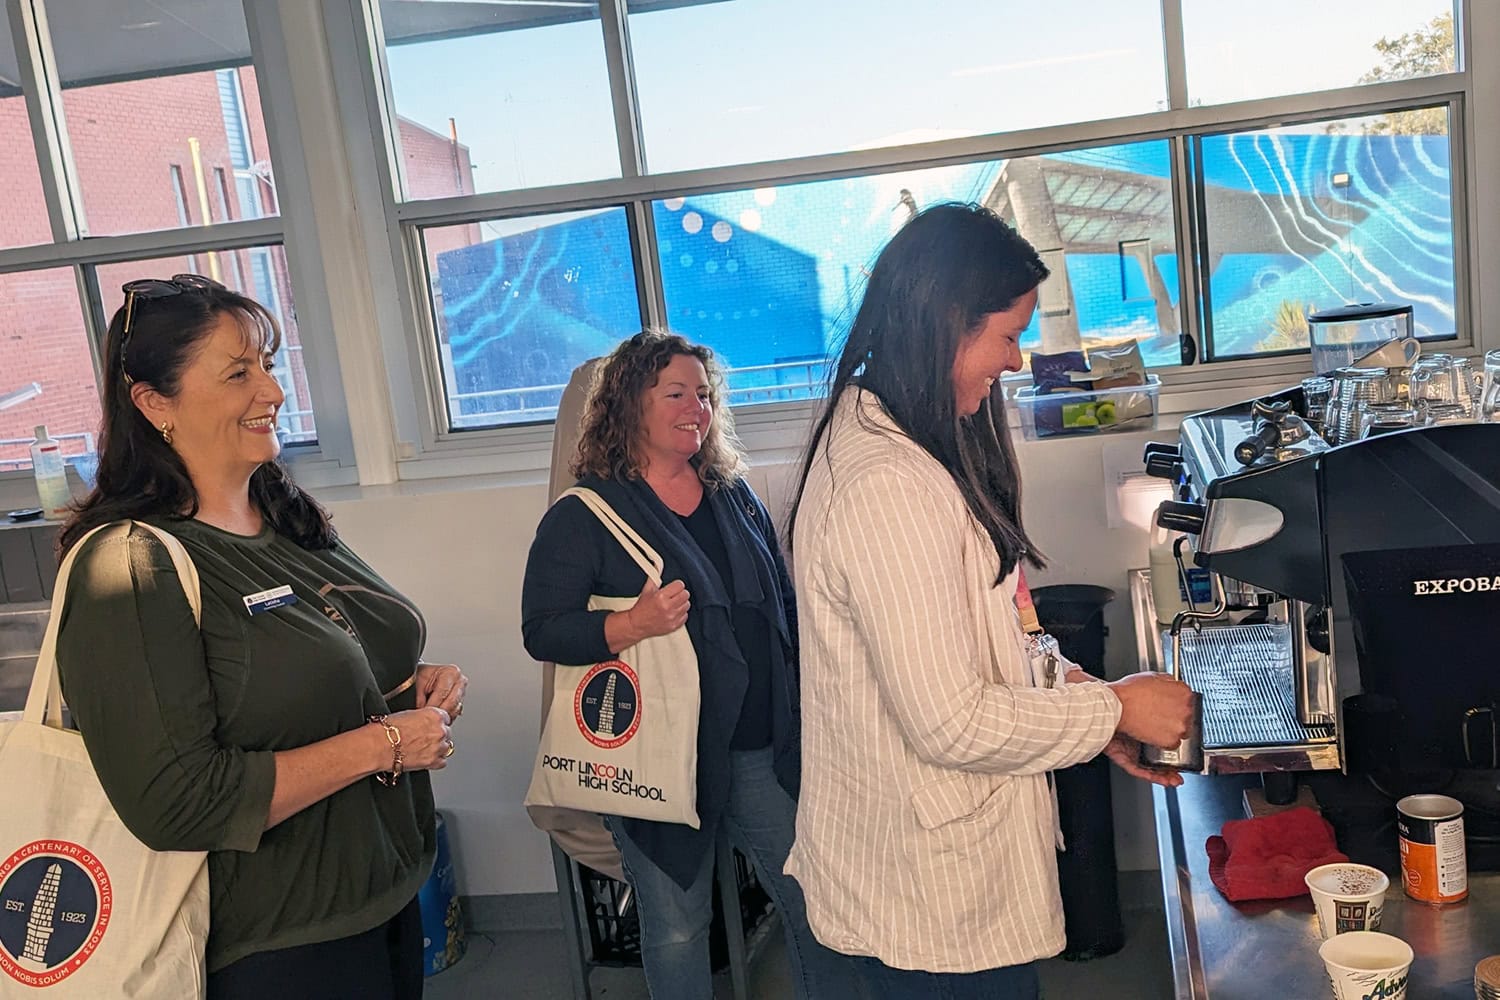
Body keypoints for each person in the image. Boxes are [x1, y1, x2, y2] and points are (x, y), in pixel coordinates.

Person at [785, 203, 1197, 999]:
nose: (1015, 360)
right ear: (945, 322)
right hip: (922, 904)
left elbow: (994, 635)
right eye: (1007, 336)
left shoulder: (911, 440)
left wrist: (1088, 704)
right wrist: (1114, 709)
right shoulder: (887, 485)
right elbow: (950, 721)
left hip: (939, 884)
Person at [54, 274, 468, 1000]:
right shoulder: (130, 564)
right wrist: (384, 744)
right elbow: (176, 802)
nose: (273, 392)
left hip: (383, 892)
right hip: (278, 943)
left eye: (269, 366)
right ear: (154, 403)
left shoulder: (282, 516)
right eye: (238, 373)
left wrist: (407, 681)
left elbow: (310, 659)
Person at [521, 331, 855, 999]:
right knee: (677, 927)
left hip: (758, 747)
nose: (695, 408)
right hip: (660, 757)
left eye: (703, 395)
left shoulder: (732, 493)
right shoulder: (585, 514)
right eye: (675, 393)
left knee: (816, 898)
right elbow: (543, 630)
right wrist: (630, 624)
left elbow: (782, 604)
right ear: (629, 404)